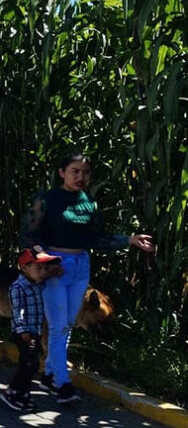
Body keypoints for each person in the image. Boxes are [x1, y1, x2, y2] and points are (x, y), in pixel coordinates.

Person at [21, 153, 154, 404]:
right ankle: (63, 384)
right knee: (58, 325)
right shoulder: (46, 200)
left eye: (86, 172)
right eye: (75, 171)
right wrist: (44, 262)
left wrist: (129, 239)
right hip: (55, 267)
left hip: (80, 266)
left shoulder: (88, 203)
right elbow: (28, 235)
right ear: (62, 172)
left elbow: (97, 237)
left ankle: (49, 374)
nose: (81, 177)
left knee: (68, 323)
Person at [1, 248, 60, 412]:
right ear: (25, 268)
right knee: (28, 364)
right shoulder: (18, 287)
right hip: (24, 333)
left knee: (33, 364)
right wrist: (23, 332)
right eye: (38, 268)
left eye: (44, 268)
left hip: (35, 332)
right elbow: (17, 311)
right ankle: (12, 391)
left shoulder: (37, 284)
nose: (43, 272)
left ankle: (24, 393)